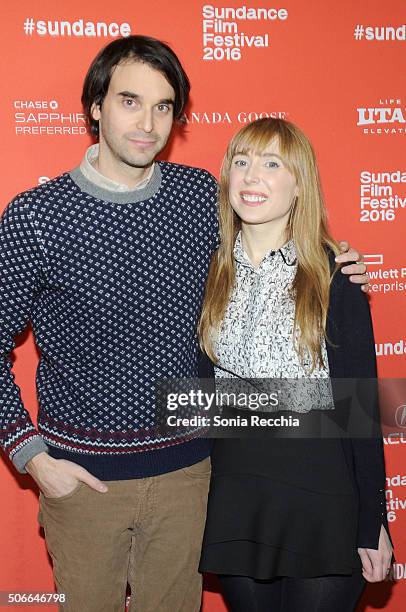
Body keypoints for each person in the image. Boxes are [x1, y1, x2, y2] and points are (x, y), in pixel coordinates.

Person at [0, 36, 368, 612]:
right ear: (95, 106)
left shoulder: (200, 197)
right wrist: (33, 457)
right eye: (129, 100)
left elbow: (272, 224)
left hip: (192, 476)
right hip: (84, 482)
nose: (148, 122)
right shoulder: (36, 216)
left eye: (164, 106)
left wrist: (334, 261)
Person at [198, 118, 393, 611]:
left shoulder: (334, 274)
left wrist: (373, 521)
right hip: (239, 493)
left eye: (271, 163)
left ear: (300, 183)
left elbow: (360, 408)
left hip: (322, 495)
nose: (251, 176)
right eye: (240, 162)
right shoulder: (208, 268)